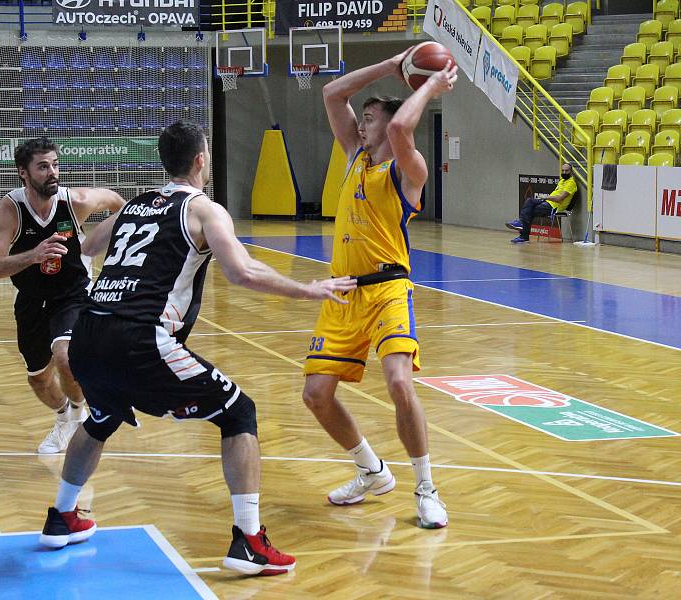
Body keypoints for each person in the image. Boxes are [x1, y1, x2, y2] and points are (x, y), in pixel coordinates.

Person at [38, 121, 356, 576]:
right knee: (239, 412)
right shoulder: (204, 210)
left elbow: (85, 247)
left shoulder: (135, 207)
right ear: (201, 160)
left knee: (101, 418)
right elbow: (241, 273)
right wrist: (309, 290)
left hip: (90, 331)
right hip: (140, 336)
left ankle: (62, 516)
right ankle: (249, 541)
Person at [302, 54, 457, 529]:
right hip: (343, 292)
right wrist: (392, 63)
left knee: (397, 381)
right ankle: (372, 470)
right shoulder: (354, 159)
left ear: (390, 126)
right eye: (362, 119)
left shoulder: (407, 172)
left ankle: (426, 488)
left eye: (370, 119)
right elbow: (333, 93)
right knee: (316, 395)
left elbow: (400, 133)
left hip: (389, 287)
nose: (361, 125)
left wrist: (428, 85)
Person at [0, 138, 124, 453]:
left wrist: (115, 247)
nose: (52, 172)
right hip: (31, 301)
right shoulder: (10, 210)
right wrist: (33, 255)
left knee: (65, 356)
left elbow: (117, 203)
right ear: (23, 172)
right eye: (43, 167)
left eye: (55, 165)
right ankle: (65, 418)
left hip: (72, 294)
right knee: (38, 380)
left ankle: (78, 412)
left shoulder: (76, 202)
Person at [507, 163, 577, 243]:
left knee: (529, 211)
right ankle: (522, 227)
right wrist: (546, 199)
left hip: (554, 207)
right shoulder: (562, 181)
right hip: (548, 203)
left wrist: (546, 197)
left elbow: (559, 198)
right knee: (529, 201)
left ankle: (523, 232)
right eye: (562, 170)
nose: (564, 172)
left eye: (566, 171)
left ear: (571, 172)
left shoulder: (571, 183)